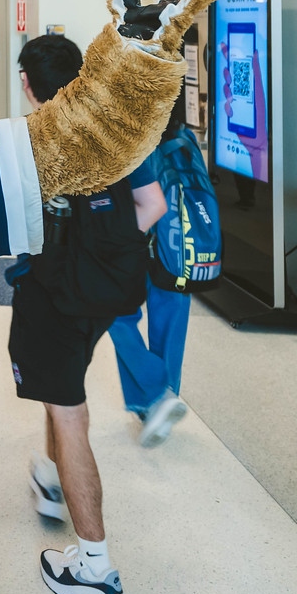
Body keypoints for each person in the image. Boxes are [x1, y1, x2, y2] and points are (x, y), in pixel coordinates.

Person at [0, 34, 171, 594]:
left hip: (52, 298)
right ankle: (53, 481)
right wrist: (104, 255)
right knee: (64, 386)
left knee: (69, 413)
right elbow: (153, 207)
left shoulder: (29, 142)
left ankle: (95, 566)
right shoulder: (119, 130)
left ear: (27, 83)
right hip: (108, 295)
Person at [107, 92, 193, 446]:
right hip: (180, 246)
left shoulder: (132, 142)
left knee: (114, 313)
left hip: (140, 237)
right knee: (172, 312)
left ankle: (156, 395)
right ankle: (163, 396)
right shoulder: (184, 139)